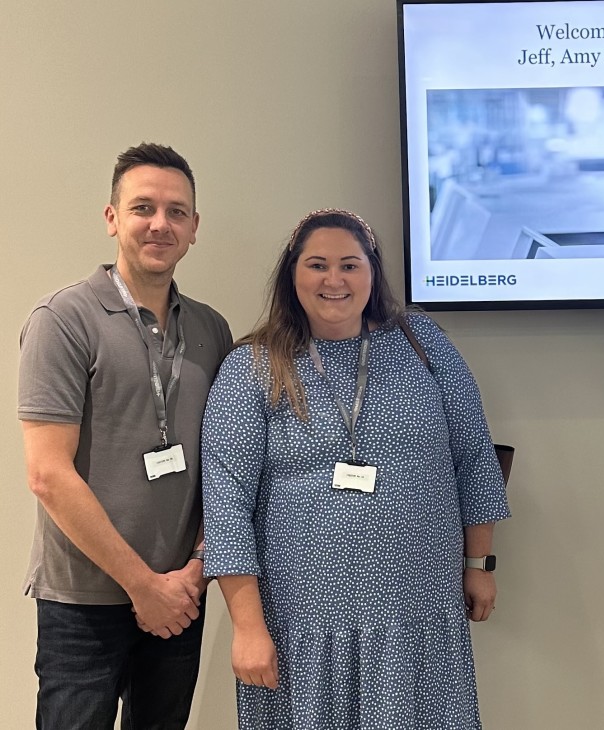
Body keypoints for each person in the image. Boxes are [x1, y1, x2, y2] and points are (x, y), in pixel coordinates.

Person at [201, 208, 511, 728]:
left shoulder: (424, 345)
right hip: (302, 617)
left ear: (372, 272)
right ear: (292, 275)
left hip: (416, 611)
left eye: (350, 265)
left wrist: (478, 565)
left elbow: (473, 456)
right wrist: (248, 627)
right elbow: (226, 500)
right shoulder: (254, 364)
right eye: (317, 265)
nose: (334, 280)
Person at [18, 142, 233, 728]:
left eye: (177, 211)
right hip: (84, 603)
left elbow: (227, 464)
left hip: (180, 597)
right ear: (112, 218)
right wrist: (143, 587)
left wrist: (194, 571)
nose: (160, 224)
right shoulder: (63, 320)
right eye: (143, 208)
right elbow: (47, 475)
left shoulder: (212, 330)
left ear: (194, 229)